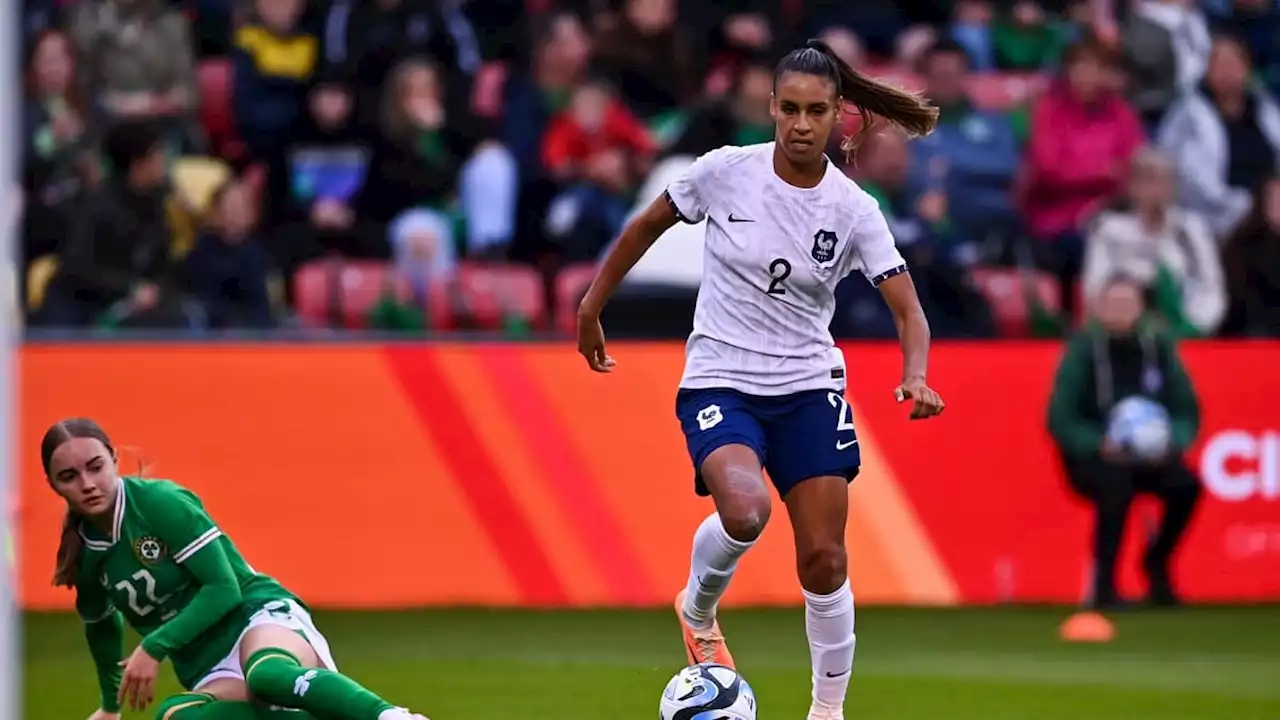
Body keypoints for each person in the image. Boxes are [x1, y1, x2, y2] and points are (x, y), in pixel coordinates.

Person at [576, 39, 945, 720]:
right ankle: (698, 604)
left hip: (808, 386)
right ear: (771, 109)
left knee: (826, 562)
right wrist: (593, 305)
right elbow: (643, 228)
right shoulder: (723, 173)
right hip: (721, 378)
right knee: (746, 512)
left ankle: (826, 712)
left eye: (817, 111)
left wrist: (915, 374)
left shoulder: (853, 209)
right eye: (790, 109)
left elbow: (908, 308)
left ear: (840, 116)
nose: (802, 125)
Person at [43, 418, 428, 720]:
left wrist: (154, 645)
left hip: (254, 617)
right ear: (53, 485)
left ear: (114, 458)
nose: (88, 484)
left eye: (95, 467)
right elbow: (102, 626)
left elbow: (223, 588)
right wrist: (111, 707)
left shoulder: (159, 502)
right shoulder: (85, 554)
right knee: (177, 715)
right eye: (69, 477)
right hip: (205, 663)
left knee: (267, 676)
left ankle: (391, 717)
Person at [1047, 275, 1203, 609]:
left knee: (1187, 486)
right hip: (1095, 454)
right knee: (1115, 488)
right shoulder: (1083, 350)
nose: (1119, 312)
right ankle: (1104, 587)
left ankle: (1157, 563)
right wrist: (1096, 442)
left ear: (1140, 309)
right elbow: (1060, 417)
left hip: (1152, 454)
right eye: (1112, 304)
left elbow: (1187, 409)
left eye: (1126, 304)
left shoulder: (1158, 346)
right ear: (1097, 308)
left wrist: (1172, 440)